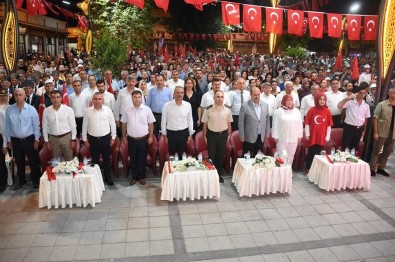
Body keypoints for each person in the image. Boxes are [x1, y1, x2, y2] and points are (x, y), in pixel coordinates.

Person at [4, 88, 41, 190]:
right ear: (14, 96)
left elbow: (36, 126)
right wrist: (8, 140)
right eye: (16, 95)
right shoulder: (9, 109)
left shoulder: (31, 109)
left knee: (33, 162)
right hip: (15, 140)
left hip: (29, 139)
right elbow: (7, 126)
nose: (18, 97)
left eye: (20, 95)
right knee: (19, 162)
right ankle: (21, 180)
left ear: (25, 96)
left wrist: (37, 139)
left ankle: (35, 181)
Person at [82, 92, 117, 186]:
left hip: (106, 138)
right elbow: (84, 125)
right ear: (92, 100)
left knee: (107, 159)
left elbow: (112, 124)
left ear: (103, 100)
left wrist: (113, 137)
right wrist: (84, 139)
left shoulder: (108, 110)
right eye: (95, 99)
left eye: (99, 99)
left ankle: (108, 178)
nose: (97, 101)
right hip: (93, 139)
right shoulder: (87, 111)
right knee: (95, 160)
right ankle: (96, 180)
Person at [121, 90, 155, 186]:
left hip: (143, 139)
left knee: (142, 158)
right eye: (135, 97)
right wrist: (123, 137)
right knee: (133, 159)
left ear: (142, 98)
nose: (137, 99)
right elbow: (124, 124)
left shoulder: (147, 109)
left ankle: (142, 177)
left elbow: (151, 124)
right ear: (132, 98)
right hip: (131, 139)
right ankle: (134, 177)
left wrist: (151, 136)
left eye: (139, 97)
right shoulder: (127, 109)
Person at [201, 90, 233, 183]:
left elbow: (229, 123)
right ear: (214, 98)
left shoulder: (227, 109)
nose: (220, 99)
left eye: (221, 97)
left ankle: (218, 174)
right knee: (212, 156)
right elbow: (205, 124)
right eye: (218, 97)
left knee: (220, 156)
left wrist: (229, 135)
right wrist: (204, 136)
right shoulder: (208, 109)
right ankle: (211, 175)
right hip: (212, 135)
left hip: (223, 135)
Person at [42, 90, 77, 161]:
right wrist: (46, 140)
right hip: (53, 139)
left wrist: (73, 139)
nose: (56, 99)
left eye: (58, 97)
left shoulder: (68, 110)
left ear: (61, 98)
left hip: (66, 138)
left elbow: (73, 125)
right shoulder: (46, 111)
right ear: (50, 99)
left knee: (69, 161)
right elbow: (44, 126)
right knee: (56, 162)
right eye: (53, 97)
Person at [161, 86, 194, 158]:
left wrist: (190, 134)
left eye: (181, 93)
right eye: (177, 92)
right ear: (174, 94)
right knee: (172, 155)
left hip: (183, 133)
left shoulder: (188, 105)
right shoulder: (167, 105)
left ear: (183, 94)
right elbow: (163, 121)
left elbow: (190, 120)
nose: (179, 94)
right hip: (171, 133)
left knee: (181, 155)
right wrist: (164, 135)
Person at [337, 82, 371, 151]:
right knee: (345, 147)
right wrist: (348, 98)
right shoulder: (350, 102)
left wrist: (364, 130)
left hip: (359, 129)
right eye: (360, 93)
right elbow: (339, 106)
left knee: (354, 148)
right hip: (349, 127)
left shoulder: (366, 105)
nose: (362, 95)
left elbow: (366, 119)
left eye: (364, 93)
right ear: (357, 93)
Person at [369, 88, 395, 177]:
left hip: (393, 133)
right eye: (393, 91)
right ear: (389, 93)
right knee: (376, 150)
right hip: (382, 131)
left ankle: (381, 168)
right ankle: (372, 168)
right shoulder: (382, 104)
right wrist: (375, 132)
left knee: (388, 151)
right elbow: (375, 118)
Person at [304, 92, 333, 171]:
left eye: (324, 99)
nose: (322, 101)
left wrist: (327, 137)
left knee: (318, 153)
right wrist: (307, 134)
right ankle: (308, 168)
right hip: (312, 136)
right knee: (311, 152)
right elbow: (307, 123)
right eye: (320, 99)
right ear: (316, 100)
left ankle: (315, 170)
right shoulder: (311, 110)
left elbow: (329, 125)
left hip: (321, 136)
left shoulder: (327, 111)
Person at [272, 94, 303, 166]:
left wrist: (300, 135)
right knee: (281, 156)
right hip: (282, 137)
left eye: (291, 100)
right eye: (287, 100)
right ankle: (281, 172)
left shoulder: (296, 111)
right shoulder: (278, 111)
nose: (289, 102)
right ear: (283, 101)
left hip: (293, 138)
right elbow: (274, 124)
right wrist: (275, 136)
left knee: (291, 156)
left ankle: (288, 171)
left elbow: (300, 124)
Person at [238, 87, 270, 157]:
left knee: (258, 158)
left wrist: (267, 134)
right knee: (246, 159)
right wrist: (241, 136)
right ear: (251, 94)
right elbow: (240, 122)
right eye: (255, 95)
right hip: (248, 137)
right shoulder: (245, 106)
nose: (257, 96)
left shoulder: (265, 105)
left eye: (258, 95)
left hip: (261, 137)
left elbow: (267, 120)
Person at [0, 108, 7, 192]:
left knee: (1, 163)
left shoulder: (1, 112)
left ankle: (2, 183)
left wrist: (4, 145)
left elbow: (4, 130)